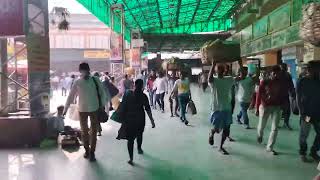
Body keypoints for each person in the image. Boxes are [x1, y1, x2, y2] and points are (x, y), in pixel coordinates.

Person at [63, 62, 107, 162]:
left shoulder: (95, 80)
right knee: (84, 132)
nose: (84, 72)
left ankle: (92, 152)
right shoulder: (77, 82)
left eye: (86, 70)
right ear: (80, 71)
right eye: (82, 70)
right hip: (82, 110)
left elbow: (102, 93)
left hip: (94, 109)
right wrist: (65, 109)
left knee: (93, 131)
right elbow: (71, 96)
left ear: (88, 70)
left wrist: (102, 106)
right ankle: (87, 150)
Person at [119, 79, 156, 165]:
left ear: (134, 85)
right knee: (139, 134)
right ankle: (139, 148)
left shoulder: (128, 94)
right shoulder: (143, 96)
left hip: (130, 119)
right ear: (142, 86)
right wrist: (152, 121)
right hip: (140, 119)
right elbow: (148, 109)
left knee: (130, 139)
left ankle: (131, 158)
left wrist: (122, 118)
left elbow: (123, 107)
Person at [256, 65, 288, 155]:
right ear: (270, 73)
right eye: (274, 73)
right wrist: (257, 108)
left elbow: (283, 94)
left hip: (276, 107)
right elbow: (258, 95)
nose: (275, 75)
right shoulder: (264, 82)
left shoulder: (281, 82)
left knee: (275, 128)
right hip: (265, 106)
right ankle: (260, 135)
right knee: (262, 126)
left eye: (277, 74)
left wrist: (284, 104)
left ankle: (270, 147)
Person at [208, 62, 235, 155]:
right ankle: (211, 133)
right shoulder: (213, 80)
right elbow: (209, 78)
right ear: (215, 70)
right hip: (216, 109)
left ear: (224, 71)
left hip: (227, 108)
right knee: (216, 128)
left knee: (226, 130)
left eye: (221, 69)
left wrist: (238, 62)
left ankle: (220, 147)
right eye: (218, 69)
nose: (220, 70)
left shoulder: (229, 79)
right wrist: (212, 64)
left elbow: (242, 76)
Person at [297, 61, 320, 162]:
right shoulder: (302, 81)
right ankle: (303, 152)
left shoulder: (318, 81)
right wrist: (302, 111)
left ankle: (314, 151)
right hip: (307, 114)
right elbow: (298, 97)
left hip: (318, 113)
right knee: (304, 134)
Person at [280, 63, 296, 130]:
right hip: (279, 96)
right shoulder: (280, 75)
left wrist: (292, 93)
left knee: (286, 110)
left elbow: (291, 85)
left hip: (283, 96)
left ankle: (285, 123)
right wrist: (292, 93)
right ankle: (284, 123)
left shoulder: (287, 75)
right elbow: (291, 85)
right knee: (279, 110)